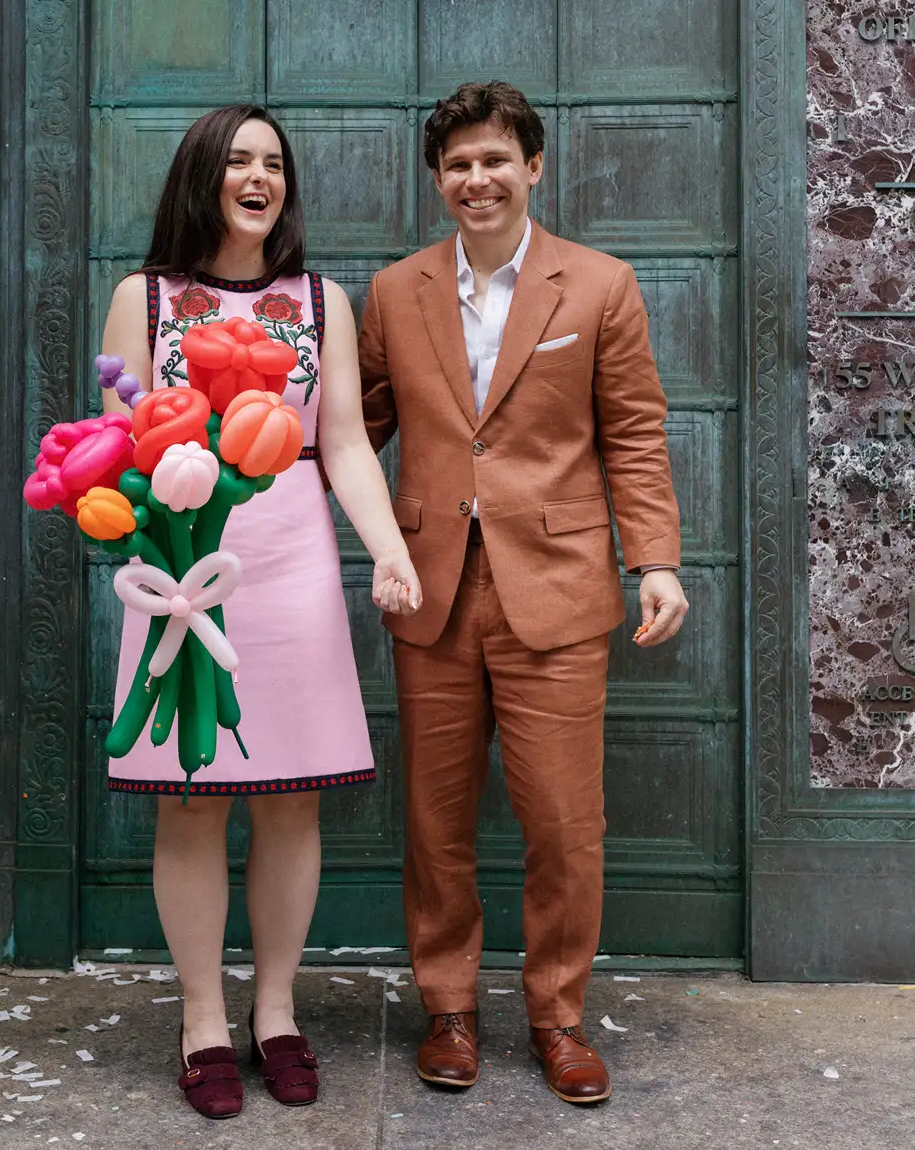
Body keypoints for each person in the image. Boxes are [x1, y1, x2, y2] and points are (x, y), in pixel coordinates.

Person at [359, 81, 690, 1105]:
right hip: (432, 590)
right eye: (457, 165)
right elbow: (350, 430)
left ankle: (556, 1015)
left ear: (532, 167)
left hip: (556, 590)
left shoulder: (597, 285)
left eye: (495, 160)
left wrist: (656, 560)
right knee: (434, 818)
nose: (476, 179)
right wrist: (233, 474)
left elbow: (632, 432)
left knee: (561, 821)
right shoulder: (393, 291)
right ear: (436, 180)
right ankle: (448, 1009)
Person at [100, 104, 421, 1120]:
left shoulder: (322, 300)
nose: (257, 176)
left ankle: (275, 1010)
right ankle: (202, 1016)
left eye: (272, 163)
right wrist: (151, 541)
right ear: (201, 173)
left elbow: (346, 448)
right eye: (237, 159)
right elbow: (119, 452)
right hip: (185, 570)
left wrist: (389, 550)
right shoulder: (142, 297)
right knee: (191, 799)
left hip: (291, 565)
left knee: (293, 798)